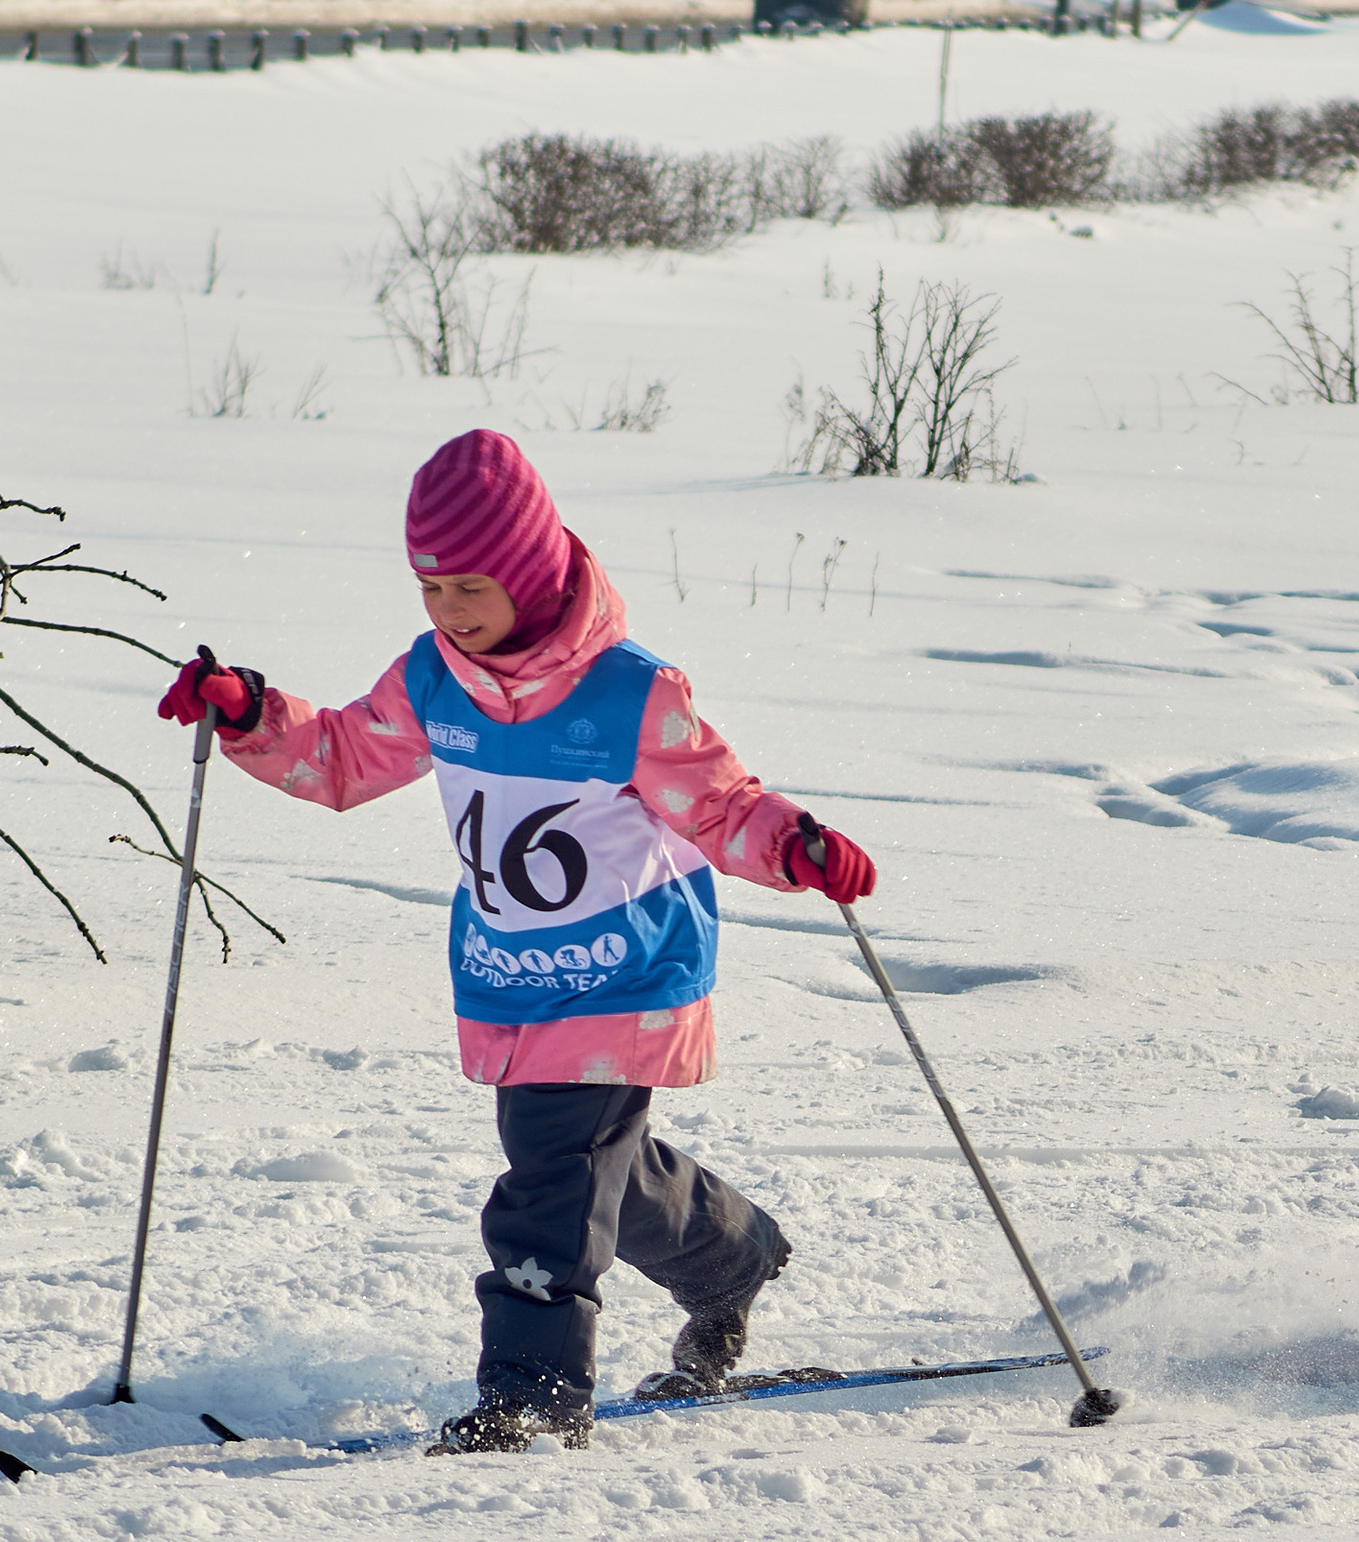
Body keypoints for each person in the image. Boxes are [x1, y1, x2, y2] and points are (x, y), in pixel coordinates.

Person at [157, 428, 875, 1453]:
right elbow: (344, 759)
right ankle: (729, 1255)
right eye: (430, 589)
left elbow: (720, 806)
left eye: (471, 588)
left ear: (531, 577)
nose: (449, 610)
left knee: (549, 1183)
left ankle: (534, 1397)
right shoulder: (433, 679)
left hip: (623, 975)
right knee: (591, 1169)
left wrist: (793, 846)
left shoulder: (629, 694)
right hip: (512, 974)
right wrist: (250, 715)